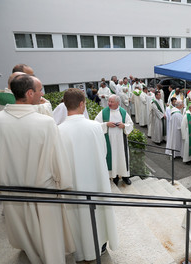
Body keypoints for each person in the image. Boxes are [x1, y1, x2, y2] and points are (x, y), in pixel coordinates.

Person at [0, 74, 75, 264]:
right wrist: (64, 183)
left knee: (25, 233)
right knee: (48, 236)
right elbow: (58, 157)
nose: (42, 93)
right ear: (29, 93)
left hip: (11, 190)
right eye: (39, 89)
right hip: (43, 191)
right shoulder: (45, 122)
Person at [58, 88, 118, 261]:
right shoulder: (94, 127)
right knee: (97, 214)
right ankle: (99, 245)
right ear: (82, 104)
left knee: (76, 218)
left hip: (73, 184)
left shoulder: (58, 130)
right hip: (95, 181)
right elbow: (104, 152)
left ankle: (80, 251)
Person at [95, 95, 134, 185]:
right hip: (110, 140)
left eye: (111, 102)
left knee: (122, 158)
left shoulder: (123, 112)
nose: (109, 103)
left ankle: (125, 176)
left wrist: (124, 126)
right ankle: (115, 176)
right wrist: (106, 124)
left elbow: (130, 124)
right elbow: (96, 124)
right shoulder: (104, 112)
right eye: (109, 101)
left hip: (121, 140)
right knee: (112, 158)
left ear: (117, 103)